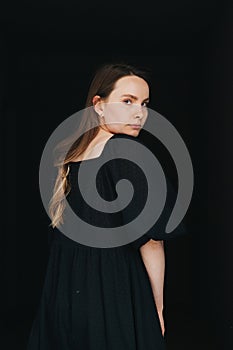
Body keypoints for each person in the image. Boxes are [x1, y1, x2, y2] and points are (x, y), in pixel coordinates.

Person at [27, 62, 186, 350]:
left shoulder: (70, 157)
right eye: (127, 101)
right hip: (112, 289)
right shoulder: (126, 151)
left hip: (63, 292)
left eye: (144, 103)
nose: (140, 113)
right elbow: (152, 241)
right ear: (98, 105)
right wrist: (158, 309)